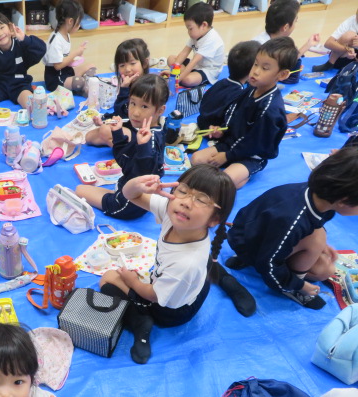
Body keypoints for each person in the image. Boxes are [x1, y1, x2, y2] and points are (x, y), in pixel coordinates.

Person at [99, 165, 255, 365]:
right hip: (197, 287)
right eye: (183, 191)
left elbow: (154, 295)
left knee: (108, 279)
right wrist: (136, 185)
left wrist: (132, 281)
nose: (186, 203)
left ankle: (139, 323)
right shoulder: (175, 212)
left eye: (201, 200)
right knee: (205, 260)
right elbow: (131, 195)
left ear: (215, 219)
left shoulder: (186, 262)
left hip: (171, 312)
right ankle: (227, 280)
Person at [225, 147, 358, 310]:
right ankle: (287, 287)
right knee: (323, 270)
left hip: (259, 235)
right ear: (343, 201)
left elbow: (310, 226)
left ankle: (253, 260)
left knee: (322, 254)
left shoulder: (319, 196)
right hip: (251, 247)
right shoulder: (293, 220)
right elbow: (268, 264)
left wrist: (322, 245)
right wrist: (299, 285)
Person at [191, 37, 297, 189]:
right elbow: (233, 113)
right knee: (196, 159)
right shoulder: (250, 89)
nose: (256, 71)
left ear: (282, 75)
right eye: (255, 64)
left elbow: (256, 143)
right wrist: (221, 130)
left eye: (265, 68)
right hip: (231, 144)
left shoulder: (271, 110)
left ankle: (243, 175)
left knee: (223, 183)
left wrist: (227, 156)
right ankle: (234, 171)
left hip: (252, 155)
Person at [75, 74, 167, 220]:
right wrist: (117, 134)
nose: (135, 112)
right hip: (134, 192)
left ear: (160, 110)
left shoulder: (149, 139)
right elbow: (125, 162)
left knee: (79, 190)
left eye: (144, 106)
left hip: (129, 203)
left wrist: (142, 146)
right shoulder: (151, 130)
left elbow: (140, 175)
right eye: (132, 103)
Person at [0, 13, 46, 109]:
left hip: (20, 85)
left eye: (2, 27)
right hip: (0, 86)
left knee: (32, 106)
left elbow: (41, 49)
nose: (0, 34)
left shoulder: (21, 43)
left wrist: (25, 38)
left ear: (10, 27)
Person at [85, 38, 150, 146]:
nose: (127, 69)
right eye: (122, 65)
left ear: (145, 63)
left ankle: (125, 151)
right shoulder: (129, 83)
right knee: (89, 137)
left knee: (105, 130)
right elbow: (119, 113)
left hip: (140, 131)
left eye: (132, 63)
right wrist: (105, 120)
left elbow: (128, 115)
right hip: (125, 124)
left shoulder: (146, 87)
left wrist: (124, 89)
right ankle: (116, 142)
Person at [197, 40, 260, 130]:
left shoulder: (219, 83)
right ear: (251, 71)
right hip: (216, 131)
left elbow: (203, 106)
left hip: (202, 123)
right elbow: (233, 124)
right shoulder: (240, 95)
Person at [251, 0, 319, 84]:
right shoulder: (262, 47)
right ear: (285, 27)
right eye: (295, 21)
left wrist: (308, 44)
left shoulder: (277, 40)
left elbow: (285, 58)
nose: (295, 25)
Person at [42, 0, 95, 95]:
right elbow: (57, 66)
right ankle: (83, 86)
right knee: (79, 82)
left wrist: (76, 57)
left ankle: (83, 84)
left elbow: (65, 58)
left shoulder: (66, 34)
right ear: (70, 21)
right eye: (78, 23)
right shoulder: (56, 40)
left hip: (66, 71)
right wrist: (75, 53)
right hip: (55, 79)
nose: (79, 26)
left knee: (91, 67)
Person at [165, 2, 225, 87]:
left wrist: (176, 80)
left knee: (187, 80)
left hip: (207, 70)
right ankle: (184, 73)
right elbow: (184, 52)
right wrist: (173, 73)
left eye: (190, 29)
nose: (188, 32)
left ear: (203, 25)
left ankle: (184, 74)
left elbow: (193, 62)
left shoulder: (212, 39)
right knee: (171, 59)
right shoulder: (197, 34)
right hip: (197, 65)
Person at [312, 7, 358, 73]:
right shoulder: (350, 21)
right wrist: (347, 49)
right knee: (349, 35)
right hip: (344, 58)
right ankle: (330, 64)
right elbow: (328, 43)